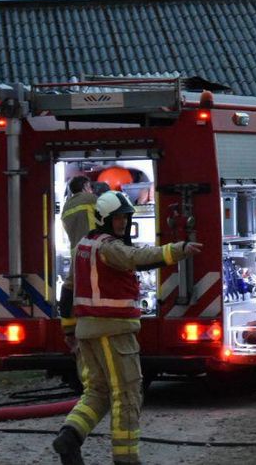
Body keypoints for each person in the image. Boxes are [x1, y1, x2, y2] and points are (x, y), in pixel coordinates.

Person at [53, 191, 202, 465]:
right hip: (115, 333)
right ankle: (126, 459)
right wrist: (178, 250)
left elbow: (68, 291)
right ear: (104, 219)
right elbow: (138, 257)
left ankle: (69, 437)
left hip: (88, 333)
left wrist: (69, 331)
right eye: (118, 218)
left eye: (125, 217)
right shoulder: (109, 248)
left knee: (97, 392)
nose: (123, 223)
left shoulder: (83, 246)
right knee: (128, 394)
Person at [58, 176, 98, 393]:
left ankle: (69, 332)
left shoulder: (66, 207)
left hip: (76, 253)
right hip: (95, 251)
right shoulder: (92, 199)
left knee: (70, 289)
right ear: (85, 187)